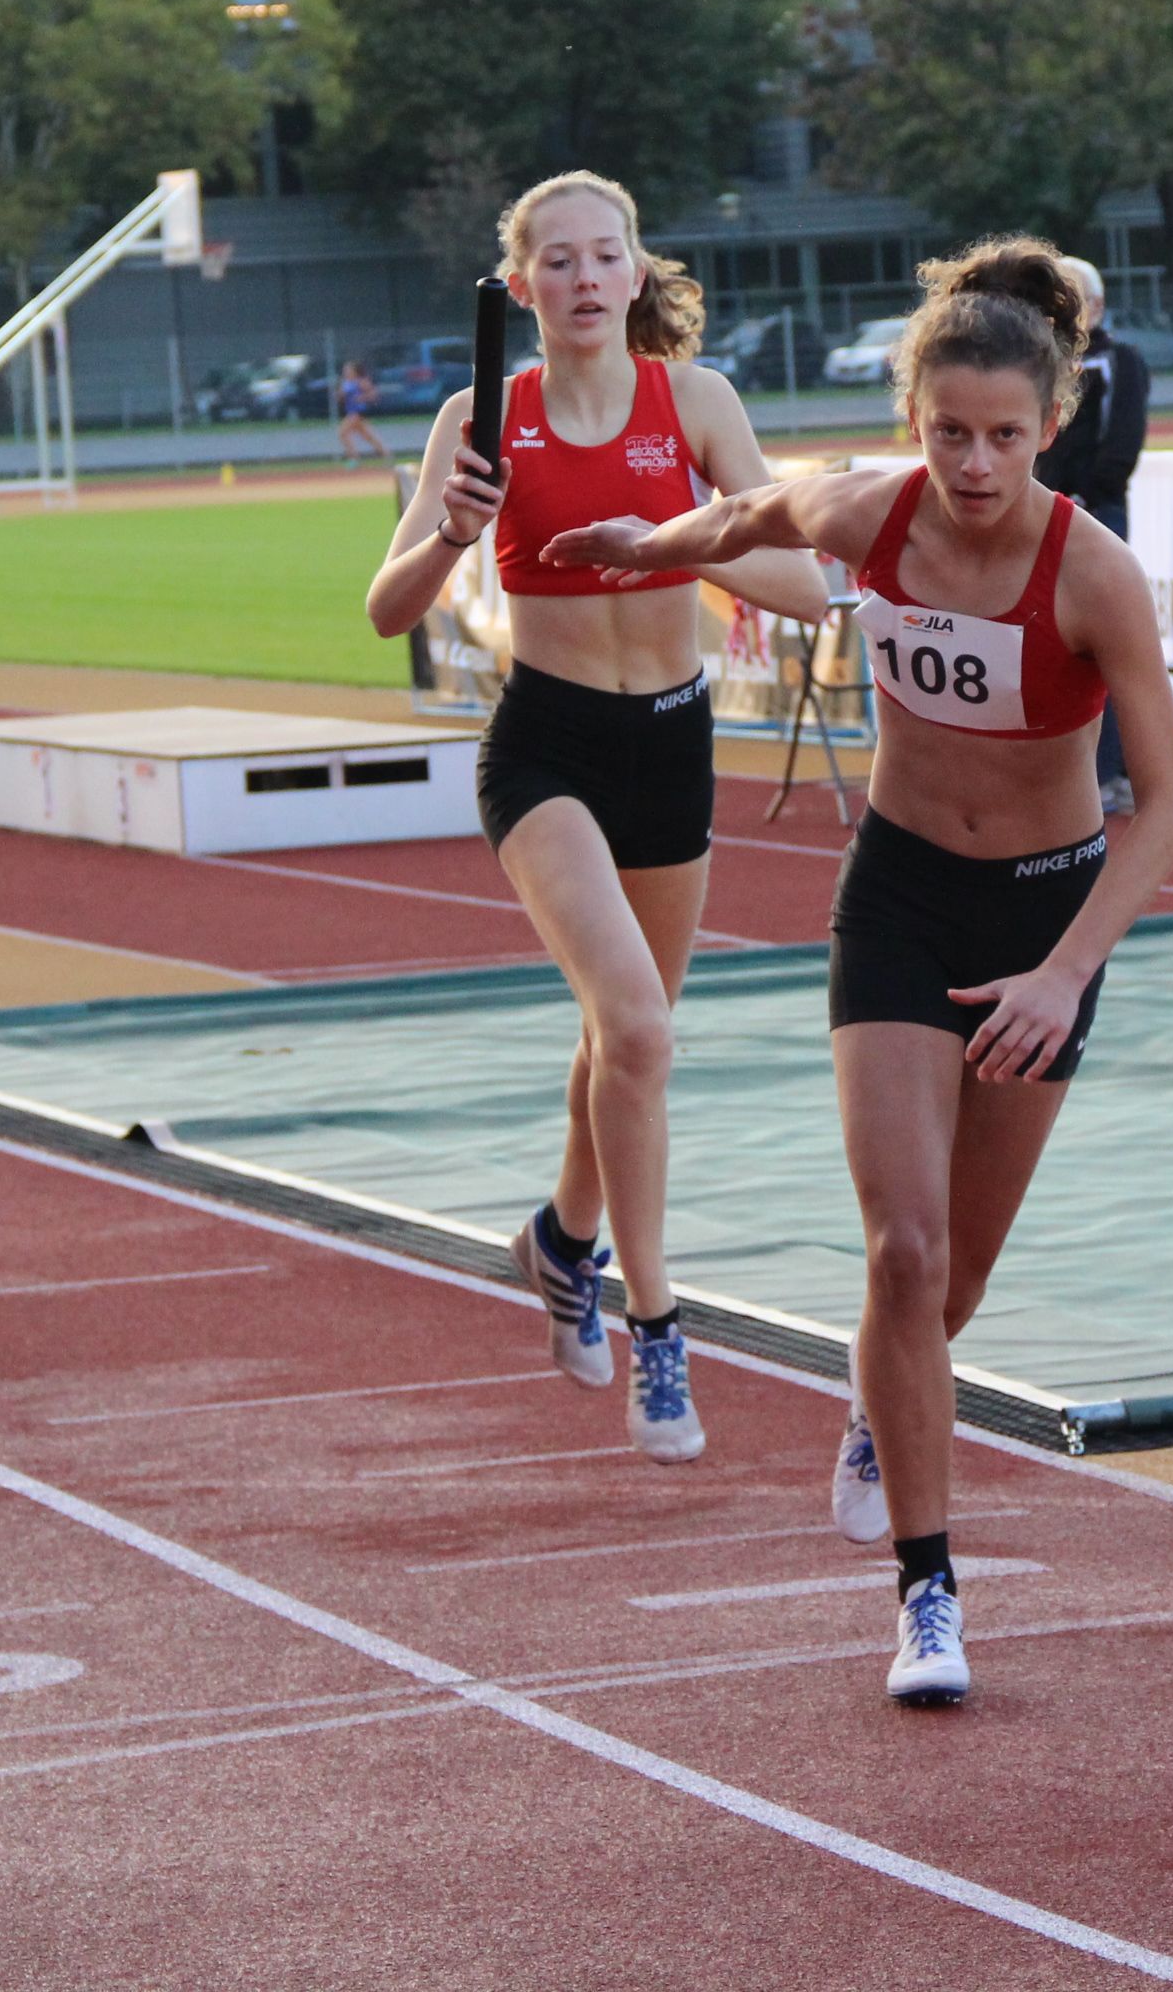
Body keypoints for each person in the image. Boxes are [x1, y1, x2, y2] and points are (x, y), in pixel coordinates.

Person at [545, 237, 1173, 1704]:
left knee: (949, 1285)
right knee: (902, 1250)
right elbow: (745, 514)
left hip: (1042, 926)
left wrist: (1063, 974)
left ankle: (877, 1405)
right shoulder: (870, 511)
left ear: (1052, 424)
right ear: (915, 418)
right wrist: (640, 549)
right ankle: (928, 1593)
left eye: (1006, 436)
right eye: (950, 432)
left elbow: (1167, 809)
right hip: (898, 899)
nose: (975, 464)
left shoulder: (1093, 575)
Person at [364, 171, 827, 1462]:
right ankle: (657, 1323)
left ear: (635, 271)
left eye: (604, 254)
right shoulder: (482, 414)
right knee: (637, 1026)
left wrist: (671, 541)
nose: (582, 278)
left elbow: (803, 584)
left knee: (624, 1041)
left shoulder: (697, 402)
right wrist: (450, 536)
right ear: (520, 285)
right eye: (556, 260)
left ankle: (563, 1240)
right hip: (548, 748)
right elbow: (387, 611)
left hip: (672, 747)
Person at [1033, 256, 1153, 816]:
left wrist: (1086, 495)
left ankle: (1112, 775)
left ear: (1098, 306)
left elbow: (1122, 440)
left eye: (1071, 297)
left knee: (1105, 645)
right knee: (1054, 647)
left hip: (1096, 514)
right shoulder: (1035, 363)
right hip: (1043, 515)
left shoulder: (1118, 361)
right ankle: (1080, 775)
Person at [335, 361, 386, 465]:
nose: (346, 371)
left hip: (357, 413)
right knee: (368, 436)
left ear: (354, 371)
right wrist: (340, 395)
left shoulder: (360, 381)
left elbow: (374, 394)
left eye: (348, 369)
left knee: (342, 433)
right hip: (351, 412)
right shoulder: (346, 383)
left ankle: (354, 458)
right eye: (345, 369)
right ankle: (386, 455)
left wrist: (362, 397)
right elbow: (341, 398)